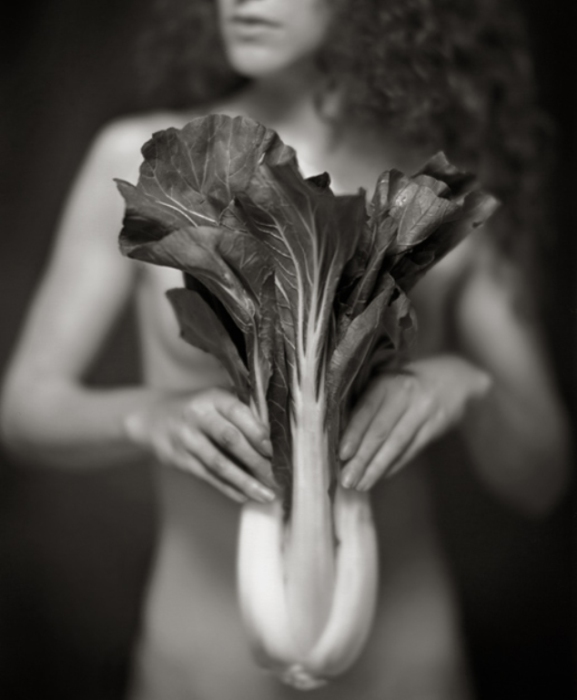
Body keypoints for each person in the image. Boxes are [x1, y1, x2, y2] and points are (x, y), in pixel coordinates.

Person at [0, 0, 570, 698]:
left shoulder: (448, 183)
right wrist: (148, 416)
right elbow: (24, 412)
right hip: (199, 666)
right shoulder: (135, 160)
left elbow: (541, 481)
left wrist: (465, 383)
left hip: (406, 665)